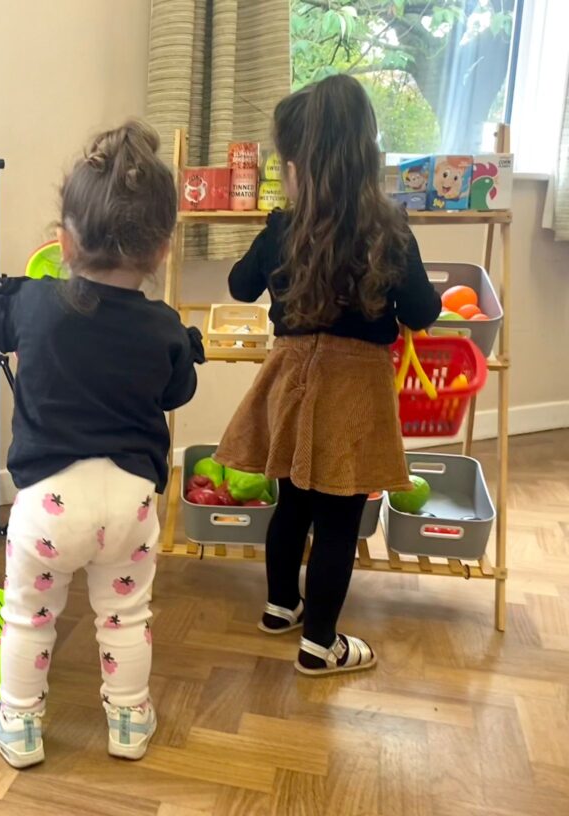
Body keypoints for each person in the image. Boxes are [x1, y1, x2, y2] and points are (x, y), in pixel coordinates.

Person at [0, 120, 205, 768]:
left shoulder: (35, 304)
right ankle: (130, 721)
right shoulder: (162, 325)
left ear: (62, 241)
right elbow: (176, 392)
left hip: (50, 504)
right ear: (162, 249)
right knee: (124, 616)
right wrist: (183, 348)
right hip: (131, 503)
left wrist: (10, 294)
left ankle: (19, 727)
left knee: (29, 617)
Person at [215, 75, 441, 677]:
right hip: (355, 390)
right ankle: (320, 644)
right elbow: (423, 311)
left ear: (296, 168)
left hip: (292, 381)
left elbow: (238, 286)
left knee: (291, 499)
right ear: (366, 158)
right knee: (339, 516)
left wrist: (269, 239)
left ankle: (279, 606)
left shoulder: (281, 230)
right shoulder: (389, 229)